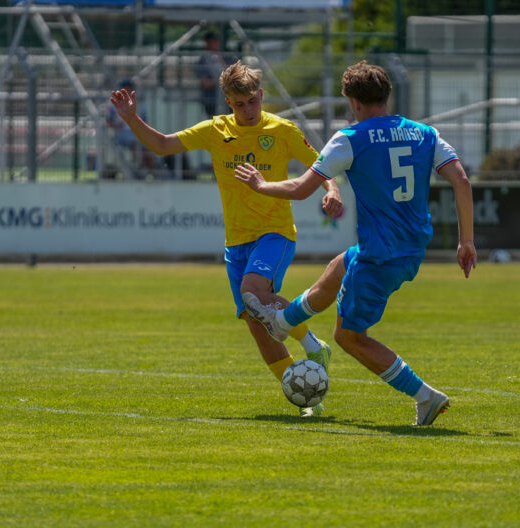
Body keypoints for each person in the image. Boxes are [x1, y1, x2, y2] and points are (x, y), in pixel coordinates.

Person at [235, 60, 476, 427]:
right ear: (387, 95)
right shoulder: (424, 133)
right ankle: (283, 321)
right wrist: (466, 241)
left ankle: (425, 396)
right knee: (342, 265)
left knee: (349, 336)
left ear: (354, 102)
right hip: (410, 250)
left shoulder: (351, 139)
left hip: (381, 256)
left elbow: (301, 189)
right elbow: (461, 180)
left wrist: (260, 185)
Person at [109, 60, 344, 417]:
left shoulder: (282, 130)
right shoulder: (215, 131)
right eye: (239, 104)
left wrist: (333, 190)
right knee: (256, 322)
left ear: (261, 96)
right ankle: (308, 400)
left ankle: (313, 345)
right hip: (236, 242)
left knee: (253, 292)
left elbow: (320, 165)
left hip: (275, 233)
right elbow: (162, 144)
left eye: (252, 101)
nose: (247, 110)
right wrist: (130, 118)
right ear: (227, 103)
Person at [106, 79, 158, 178]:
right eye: (126, 89)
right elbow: (108, 122)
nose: (128, 91)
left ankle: (151, 172)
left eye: (130, 89)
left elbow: (144, 122)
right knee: (135, 144)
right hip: (121, 134)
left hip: (136, 132)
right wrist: (117, 125)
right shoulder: (113, 105)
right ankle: (142, 169)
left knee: (149, 146)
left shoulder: (140, 105)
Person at [195, 30, 236, 119]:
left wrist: (219, 59)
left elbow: (234, 77)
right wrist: (224, 81)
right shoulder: (202, 60)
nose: (215, 43)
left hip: (229, 99)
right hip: (211, 100)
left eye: (216, 41)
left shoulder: (226, 57)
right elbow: (206, 84)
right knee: (214, 125)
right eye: (212, 41)